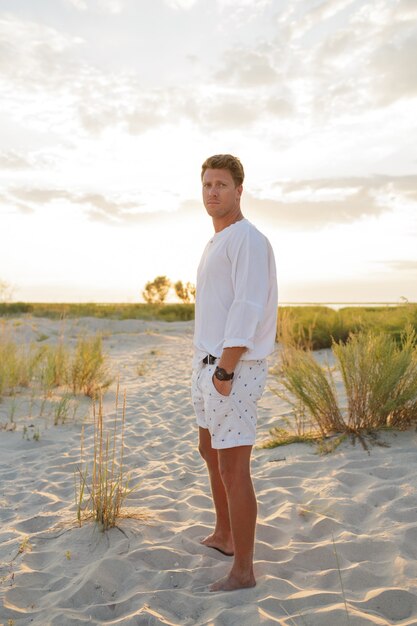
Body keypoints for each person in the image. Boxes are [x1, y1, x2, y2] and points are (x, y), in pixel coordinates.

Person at [191, 154, 278, 592]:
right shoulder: (215, 241)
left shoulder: (248, 238)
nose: (212, 191)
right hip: (207, 364)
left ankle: (243, 570)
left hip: (234, 369)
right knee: (210, 451)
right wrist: (208, 368)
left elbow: (247, 306)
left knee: (234, 467)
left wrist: (225, 370)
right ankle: (225, 535)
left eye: (221, 184)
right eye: (207, 184)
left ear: (239, 190)